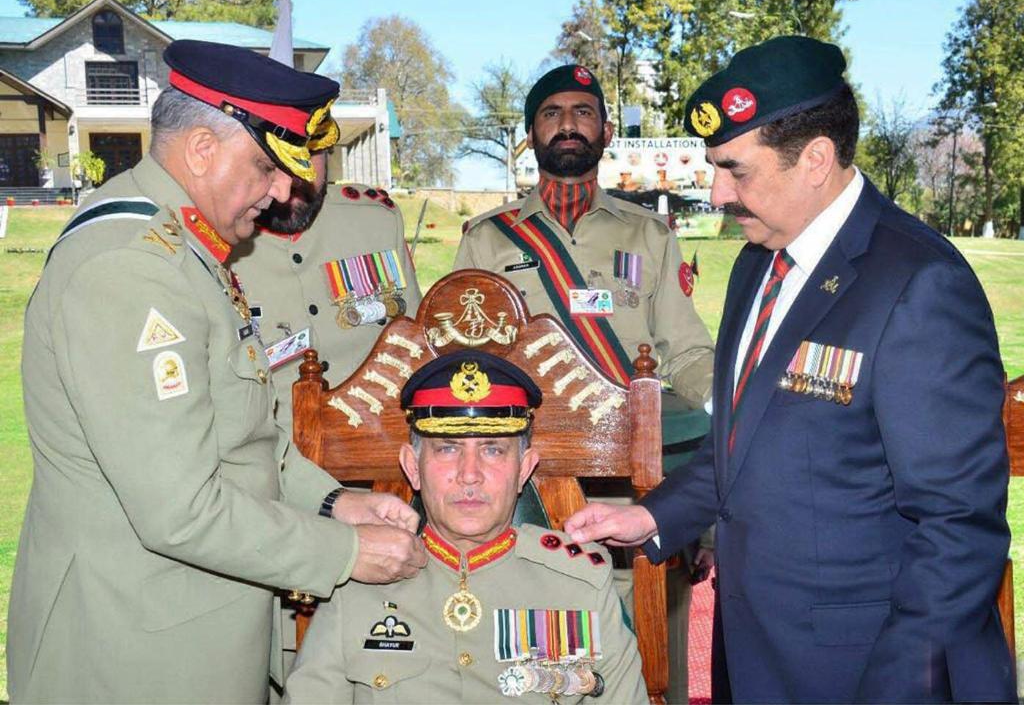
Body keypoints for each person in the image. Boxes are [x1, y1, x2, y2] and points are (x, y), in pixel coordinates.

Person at [566, 35, 1016, 704]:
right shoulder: (758, 263)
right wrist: (653, 518)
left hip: (866, 672)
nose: (716, 192)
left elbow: (957, 531)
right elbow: (746, 445)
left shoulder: (919, 284)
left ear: (815, 160)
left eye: (736, 171)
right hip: (757, 656)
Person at [8, 40, 427, 703]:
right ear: (201, 149)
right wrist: (346, 553)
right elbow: (181, 511)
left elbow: (239, 431)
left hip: (191, 631)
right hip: (134, 654)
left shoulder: (187, 247)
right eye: (266, 166)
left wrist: (334, 502)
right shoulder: (133, 268)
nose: (284, 190)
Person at [455, 63, 715, 703]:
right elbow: (462, 370)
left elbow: (687, 353)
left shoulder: (649, 235)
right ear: (531, 135)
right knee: (540, 659)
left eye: (582, 112)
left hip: (638, 480)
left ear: (605, 132)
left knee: (654, 661)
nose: (567, 124)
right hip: (528, 489)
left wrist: (727, 422)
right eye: (551, 113)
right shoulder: (488, 241)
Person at [283, 350, 647, 704]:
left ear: (524, 469)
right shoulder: (359, 577)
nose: (469, 474)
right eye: (447, 449)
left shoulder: (579, 583)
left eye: (493, 450)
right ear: (412, 467)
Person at [229, 120, 421, 436]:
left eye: (307, 155)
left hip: (382, 445)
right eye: (273, 159)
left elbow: (416, 349)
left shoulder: (375, 221)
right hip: (271, 456)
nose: (290, 178)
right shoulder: (211, 241)